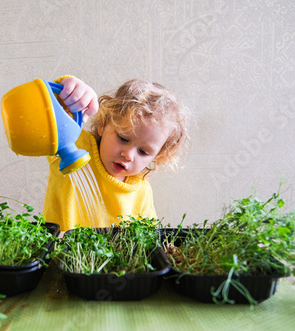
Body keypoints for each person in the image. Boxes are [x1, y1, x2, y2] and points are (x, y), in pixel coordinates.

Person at [43, 75, 190, 231]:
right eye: (123, 138)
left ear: (158, 156)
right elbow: (49, 115)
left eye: (143, 151)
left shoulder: (141, 192)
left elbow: (149, 240)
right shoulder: (75, 146)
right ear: (103, 124)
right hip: (56, 251)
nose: (128, 155)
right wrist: (70, 91)